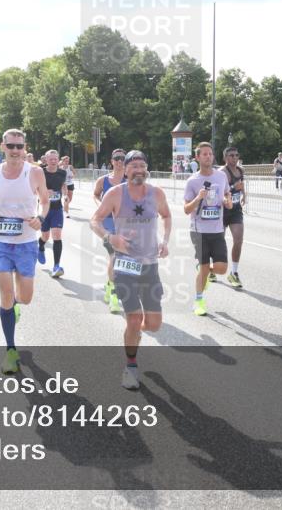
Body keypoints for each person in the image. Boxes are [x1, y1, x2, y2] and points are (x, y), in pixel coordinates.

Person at [90, 150, 171, 390]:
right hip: (125, 264)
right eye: (133, 165)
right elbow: (94, 220)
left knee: (154, 324)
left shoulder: (157, 193)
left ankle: (135, 333)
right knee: (134, 319)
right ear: (125, 170)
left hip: (150, 265)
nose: (138, 169)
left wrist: (165, 241)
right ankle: (131, 366)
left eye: (142, 165)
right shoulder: (116, 193)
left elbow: (166, 216)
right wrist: (110, 237)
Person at [0, 129, 50, 374]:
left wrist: (41, 217)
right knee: (6, 295)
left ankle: (15, 305)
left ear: (25, 147)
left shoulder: (35, 172)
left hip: (26, 241)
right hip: (0, 240)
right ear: (3, 147)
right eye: (11, 146)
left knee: (24, 298)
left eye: (20, 146)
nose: (16, 150)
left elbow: (45, 201)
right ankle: (10, 350)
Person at [184, 142, 232, 316]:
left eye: (210, 154)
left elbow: (226, 193)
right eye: (204, 154)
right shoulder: (192, 181)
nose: (208, 157)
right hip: (199, 231)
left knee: (222, 268)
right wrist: (198, 198)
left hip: (217, 230)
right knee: (204, 268)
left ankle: (204, 271)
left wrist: (227, 201)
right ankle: (198, 301)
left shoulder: (221, 176)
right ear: (197, 157)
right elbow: (186, 209)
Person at [94, 149, 127, 313]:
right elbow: (95, 195)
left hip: (126, 225)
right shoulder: (103, 180)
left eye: (122, 158)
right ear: (112, 161)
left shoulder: (131, 180)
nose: (120, 161)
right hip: (107, 224)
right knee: (114, 256)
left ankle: (109, 284)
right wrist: (102, 206)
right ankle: (114, 294)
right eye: (117, 158)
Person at [38, 150, 68, 277]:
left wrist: (65, 195)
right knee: (45, 236)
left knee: (57, 235)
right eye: (51, 159)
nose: (54, 161)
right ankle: (40, 246)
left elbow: (63, 185)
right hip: (44, 209)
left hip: (57, 209)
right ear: (46, 160)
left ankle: (56, 266)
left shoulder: (62, 173)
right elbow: (33, 189)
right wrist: (45, 192)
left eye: (55, 159)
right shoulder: (40, 172)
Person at [220, 146, 246, 289]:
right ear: (225, 158)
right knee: (219, 242)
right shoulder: (221, 173)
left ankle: (234, 272)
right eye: (231, 155)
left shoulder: (240, 170)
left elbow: (241, 184)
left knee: (238, 240)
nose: (234, 158)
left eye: (236, 155)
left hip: (235, 210)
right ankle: (210, 267)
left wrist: (244, 195)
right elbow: (217, 192)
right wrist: (232, 188)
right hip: (222, 210)